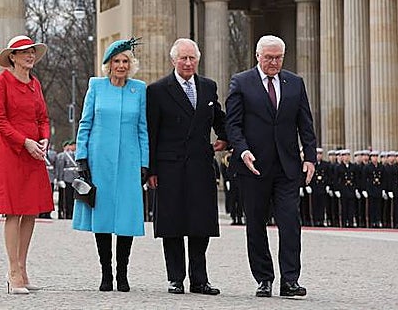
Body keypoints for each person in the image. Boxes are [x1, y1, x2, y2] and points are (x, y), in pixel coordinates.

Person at [225, 34, 317, 298]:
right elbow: (233, 124)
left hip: (287, 167)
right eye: (269, 57)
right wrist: (242, 150)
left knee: (290, 223)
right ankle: (264, 279)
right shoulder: (241, 82)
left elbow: (305, 123)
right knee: (256, 224)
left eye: (278, 58)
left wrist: (310, 157)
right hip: (253, 167)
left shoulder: (295, 83)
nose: (274, 62)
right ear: (258, 56)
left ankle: (290, 280)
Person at [146, 38, 228, 295]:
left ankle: (199, 279)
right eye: (183, 58)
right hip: (169, 167)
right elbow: (152, 133)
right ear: (174, 60)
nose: (188, 63)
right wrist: (151, 170)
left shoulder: (208, 87)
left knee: (200, 224)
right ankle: (176, 278)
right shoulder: (158, 90)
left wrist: (226, 137)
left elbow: (218, 118)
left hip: (200, 165)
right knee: (172, 224)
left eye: (192, 58)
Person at [72, 37, 149, 293]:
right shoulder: (96, 86)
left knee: (126, 216)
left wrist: (144, 162)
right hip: (99, 160)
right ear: (109, 64)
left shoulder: (139, 89)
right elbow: (85, 123)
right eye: (117, 61)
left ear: (131, 64)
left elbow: (143, 128)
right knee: (103, 216)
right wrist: (81, 156)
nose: (121, 65)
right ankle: (106, 273)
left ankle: (122, 274)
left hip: (129, 160)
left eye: (125, 61)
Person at [0, 35, 54, 295]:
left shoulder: (35, 83)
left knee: (31, 210)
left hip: (34, 152)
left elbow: (43, 118)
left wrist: (44, 138)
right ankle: (13, 271)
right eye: (24, 52)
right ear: (12, 57)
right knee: (13, 211)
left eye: (32, 51)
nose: (30, 55)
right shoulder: (0, 82)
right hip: (13, 151)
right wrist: (25, 142)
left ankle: (23, 268)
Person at [54, 141, 79, 220]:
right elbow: (61, 167)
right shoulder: (64, 155)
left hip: (75, 178)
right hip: (67, 178)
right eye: (73, 145)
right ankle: (68, 213)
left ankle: (73, 213)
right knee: (68, 197)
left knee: (74, 197)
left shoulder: (76, 154)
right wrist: (60, 179)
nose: (74, 147)